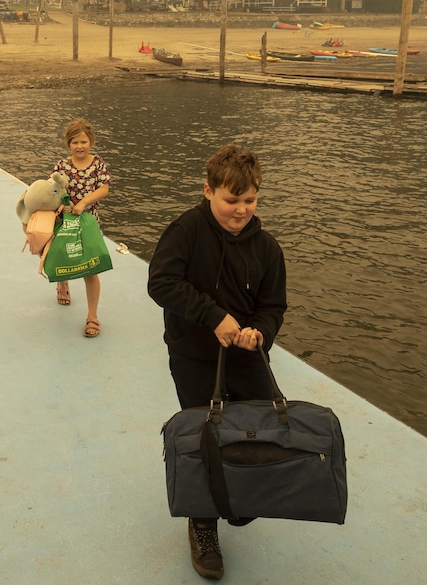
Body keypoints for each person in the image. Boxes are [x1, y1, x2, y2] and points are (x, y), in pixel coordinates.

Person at [146, 143, 287, 580]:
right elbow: (161, 283)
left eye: (250, 200)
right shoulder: (185, 231)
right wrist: (214, 317)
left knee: (257, 428)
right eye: (231, 201)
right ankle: (202, 523)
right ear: (208, 191)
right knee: (205, 435)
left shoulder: (267, 248)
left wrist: (258, 332)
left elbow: (273, 306)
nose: (241, 210)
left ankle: (239, 497)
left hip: (245, 358)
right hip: (195, 356)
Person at [50, 118, 111, 337]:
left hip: (89, 221)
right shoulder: (62, 166)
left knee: (91, 266)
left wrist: (84, 203)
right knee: (64, 254)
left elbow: (104, 188)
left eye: (84, 141)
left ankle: (92, 316)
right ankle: (62, 283)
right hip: (66, 220)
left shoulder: (98, 164)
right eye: (75, 142)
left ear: (91, 141)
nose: (80, 146)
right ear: (69, 144)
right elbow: (53, 190)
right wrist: (64, 204)